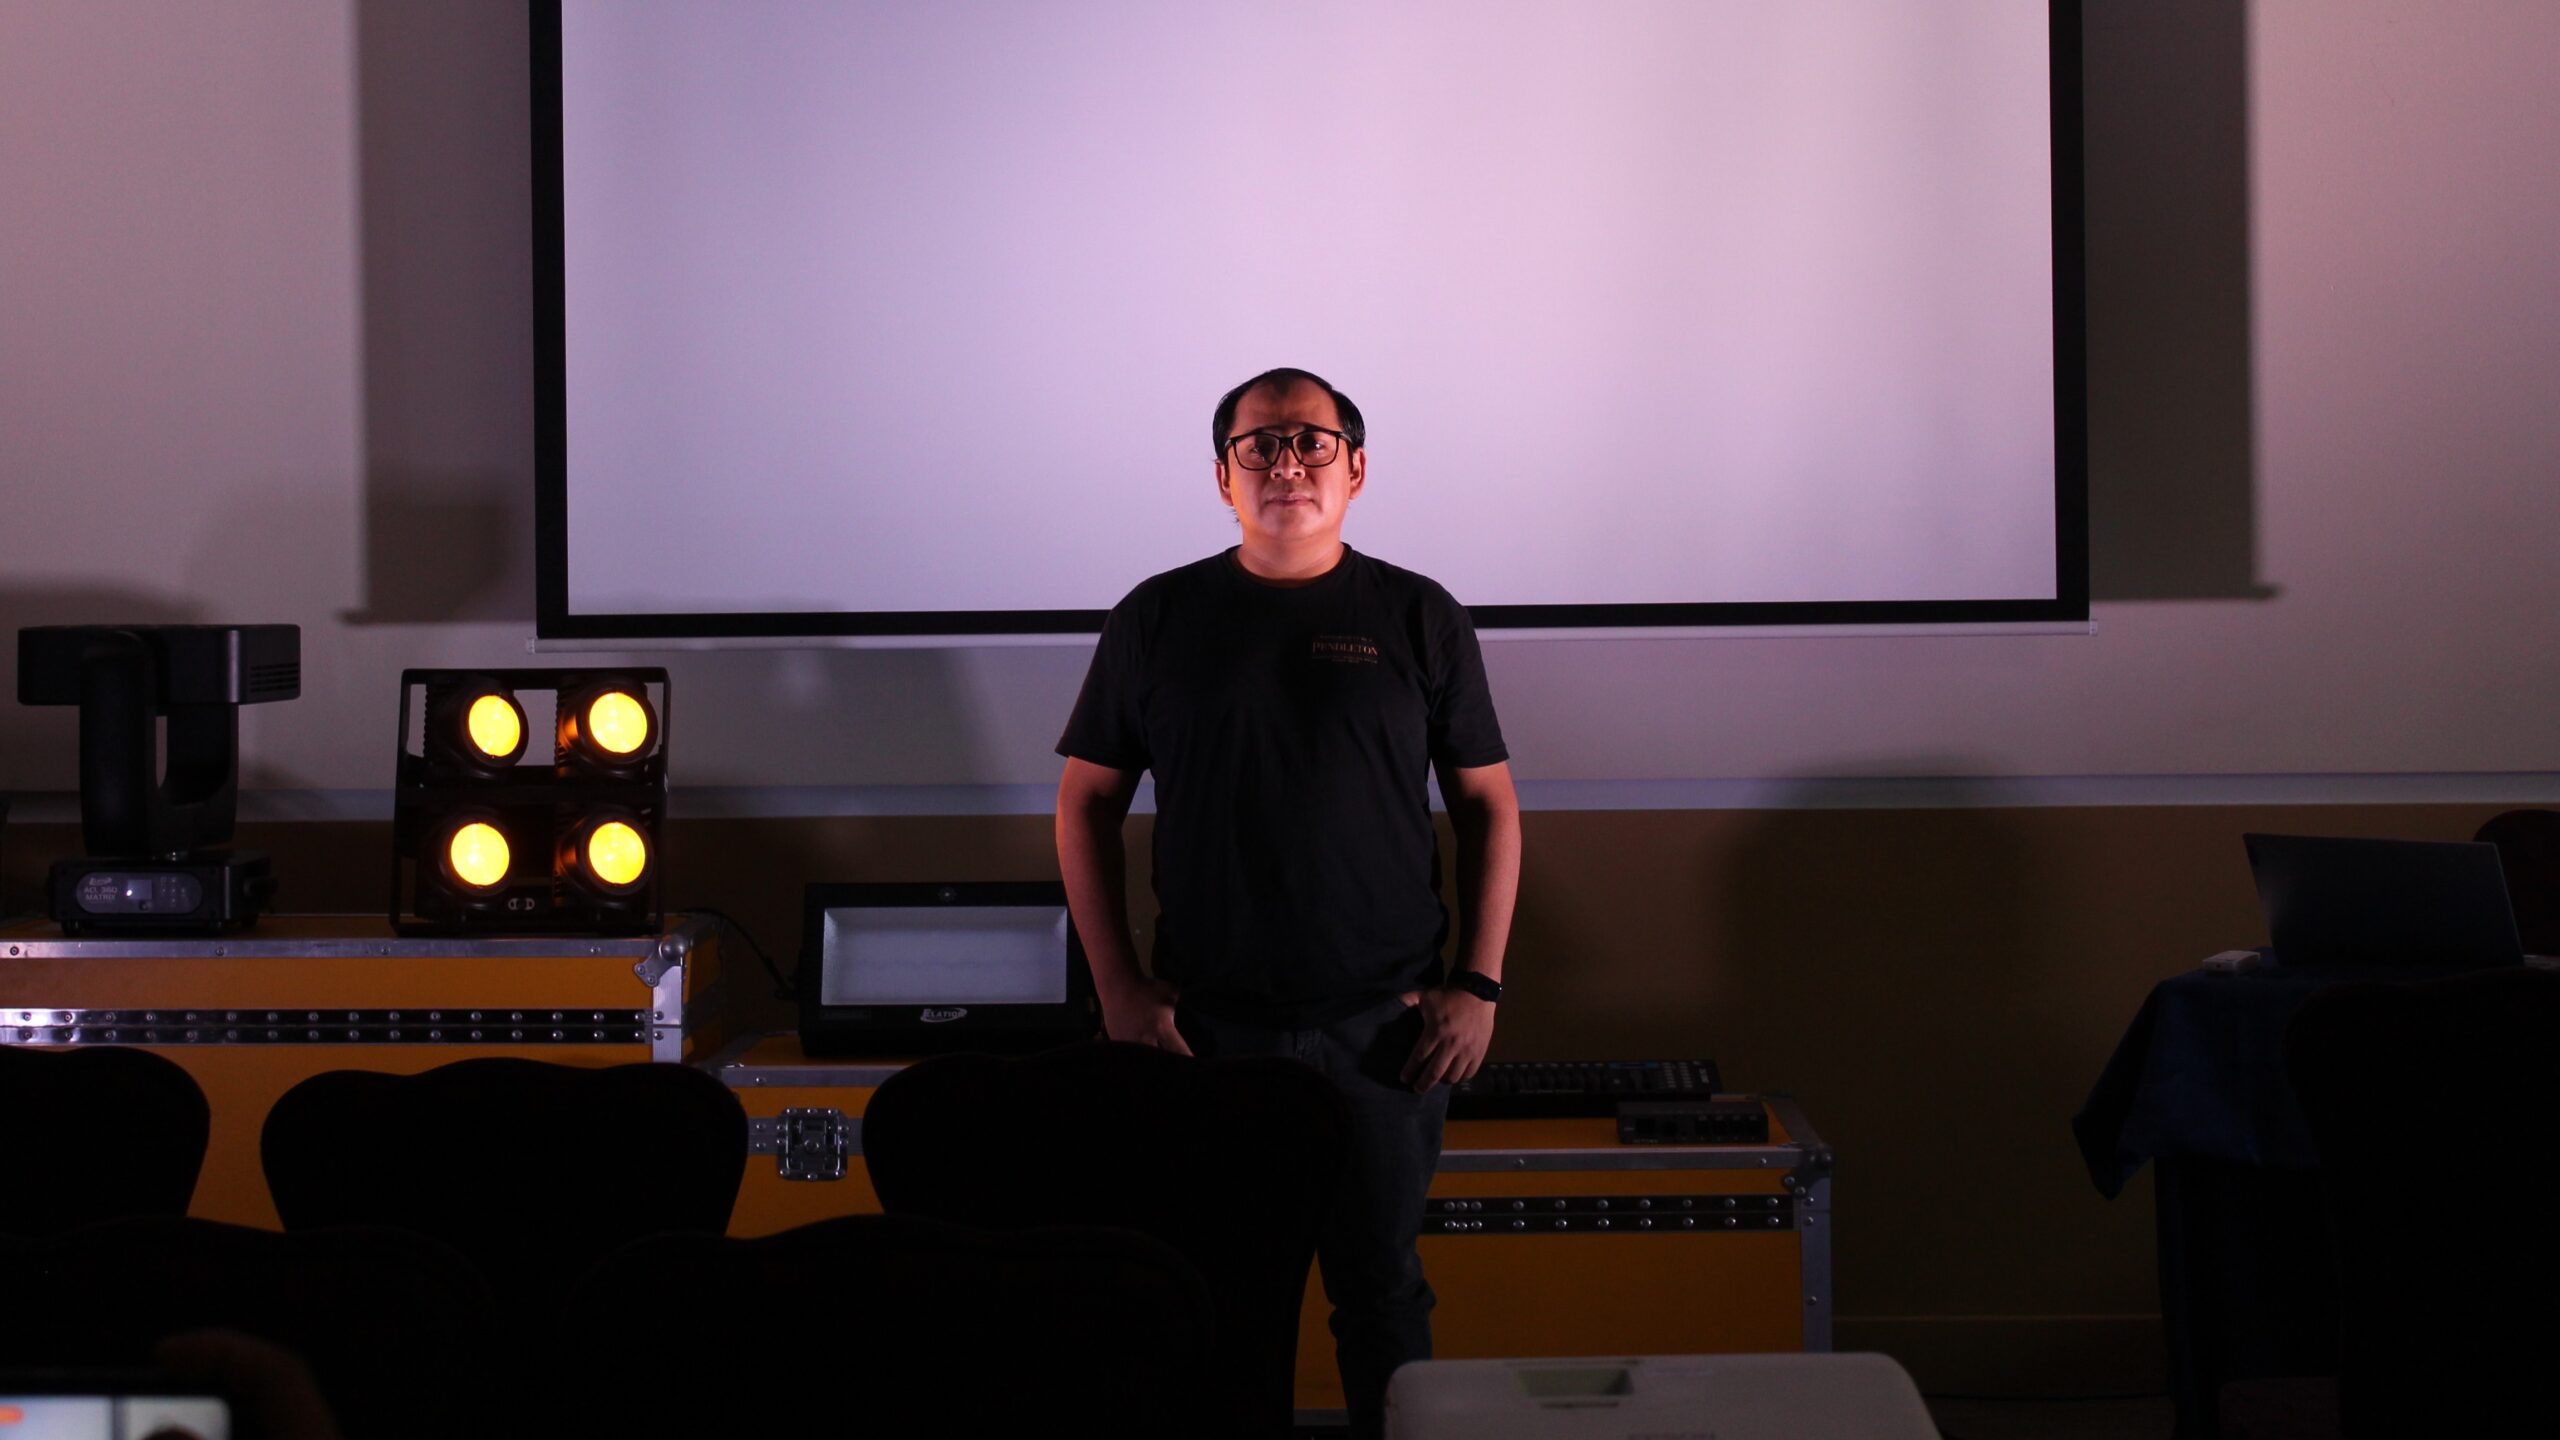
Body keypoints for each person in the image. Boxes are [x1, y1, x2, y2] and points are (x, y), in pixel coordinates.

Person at [1055, 367, 1521, 1435]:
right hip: (1209, 1033)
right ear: (1223, 478)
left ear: (1356, 469)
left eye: (1312, 441)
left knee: (1383, 1298)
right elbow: (1085, 804)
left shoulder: (1419, 615)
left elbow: (1489, 806)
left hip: (1388, 1032)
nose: (1287, 464)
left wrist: (1480, 985)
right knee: (1218, 1303)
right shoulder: (1158, 616)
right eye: (1258, 445)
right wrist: (1118, 987)